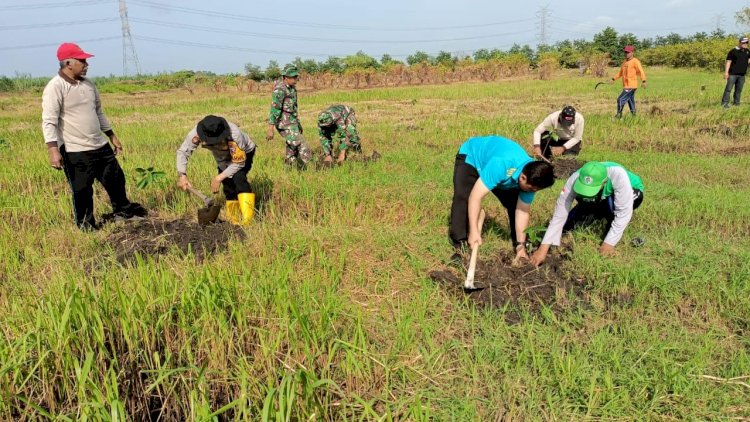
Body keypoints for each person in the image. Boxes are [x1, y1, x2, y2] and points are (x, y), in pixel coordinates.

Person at [42, 42, 146, 231]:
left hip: (100, 145)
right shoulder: (55, 87)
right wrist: (53, 150)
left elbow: (98, 112)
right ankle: (86, 226)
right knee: (82, 190)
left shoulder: (88, 84)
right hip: (75, 150)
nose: (86, 64)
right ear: (68, 63)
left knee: (116, 179)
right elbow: (49, 121)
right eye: (82, 61)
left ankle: (123, 213)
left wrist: (111, 135)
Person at [449, 135, 555, 263]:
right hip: (472, 158)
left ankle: (519, 248)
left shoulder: (533, 176)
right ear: (522, 178)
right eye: (532, 190)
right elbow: (475, 197)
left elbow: (522, 211)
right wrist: (474, 231)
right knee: (463, 198)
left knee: (514, 204)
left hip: (500, 172)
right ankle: (460, 245)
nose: (533, 192)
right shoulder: (501, 164)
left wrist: (521, 246)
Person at [530, 161, 644, 266]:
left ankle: (607, 222)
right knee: (571, 226)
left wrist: (608, 244)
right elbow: (559, 215)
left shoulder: (618, 175)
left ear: (604, 182)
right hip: (599, 197)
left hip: (631, 191)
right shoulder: (574, 179)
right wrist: (542, 249)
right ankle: (597, 209)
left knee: (611, 207)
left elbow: (623, 213)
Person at [176, 115, 257, 225]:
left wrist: (219, 177)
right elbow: (183, 152)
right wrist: (182, 175)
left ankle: (248, 221)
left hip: (243, 155)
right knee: (228, 185)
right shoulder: (197, 133)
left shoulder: (234, 134)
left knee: (239, 179)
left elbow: (238, 163)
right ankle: (234, 220)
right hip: (222, 159)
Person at [266, 64, 312, 167]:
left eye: (296, 77)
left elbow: (294, 109)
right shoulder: (280, 90)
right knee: (301, 143)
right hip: (283, 123)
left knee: (292, 146)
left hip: (292, 122)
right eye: (292, 77)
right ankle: (313, 168)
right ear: (285, 77)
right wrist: (270, 128)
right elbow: (275, 109)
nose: (295, 79)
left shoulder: (292, 89)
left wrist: (298, 124)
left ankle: (289, 167)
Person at [610, 45, 647, 118]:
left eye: (628, 52)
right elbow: (620, 73)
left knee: (620, 99)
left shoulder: (635, 61)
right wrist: (613, 79)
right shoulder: (624, 62)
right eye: (625, 52)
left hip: (631, 86)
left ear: (632, 52)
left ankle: (618, 116)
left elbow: (641, 71)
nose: (626, 54)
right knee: (630, 101)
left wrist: (644, 81)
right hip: (626, 85)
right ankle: (634, 117)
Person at [722, 36, 749, 108]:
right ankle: (725, 103)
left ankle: (736, 103)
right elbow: (728, 62)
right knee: (728, 89)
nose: (745, 44)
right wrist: (726, 72)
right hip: (732, 74)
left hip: (742, 75)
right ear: (740, 42)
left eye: (747, 42)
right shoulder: (733, 51)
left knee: (739, 90)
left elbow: (748, 60)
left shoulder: (747, 51)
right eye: (744, 42)